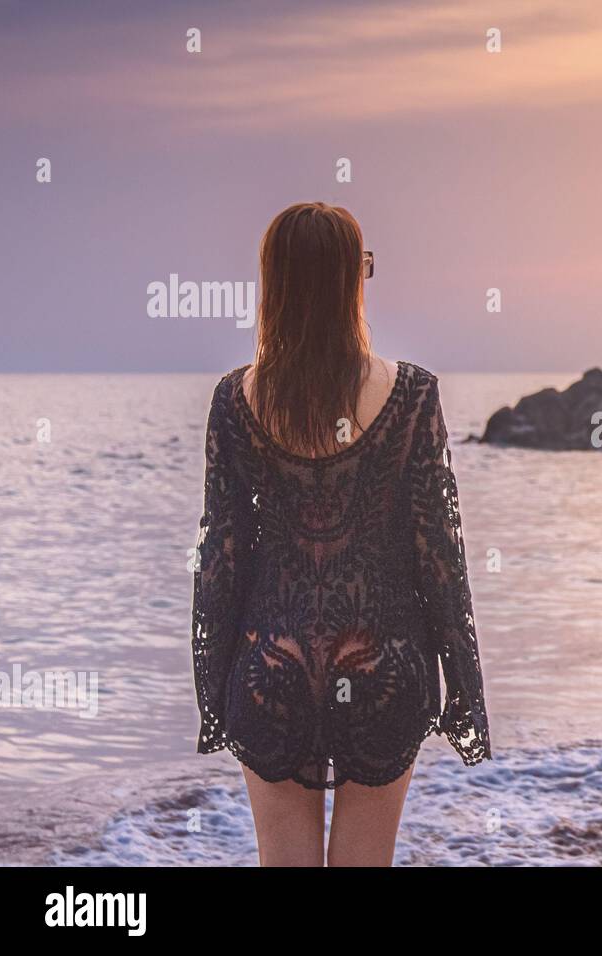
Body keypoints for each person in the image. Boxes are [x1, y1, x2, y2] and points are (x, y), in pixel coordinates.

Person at [191, 202, 490, 866]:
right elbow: (438, 552)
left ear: (276, 284)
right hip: (382, 667)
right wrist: (462, 686)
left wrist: (215, 690)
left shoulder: (235, 400)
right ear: (352, 281)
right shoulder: (412, 395)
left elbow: (221, 558)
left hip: (273, 669)